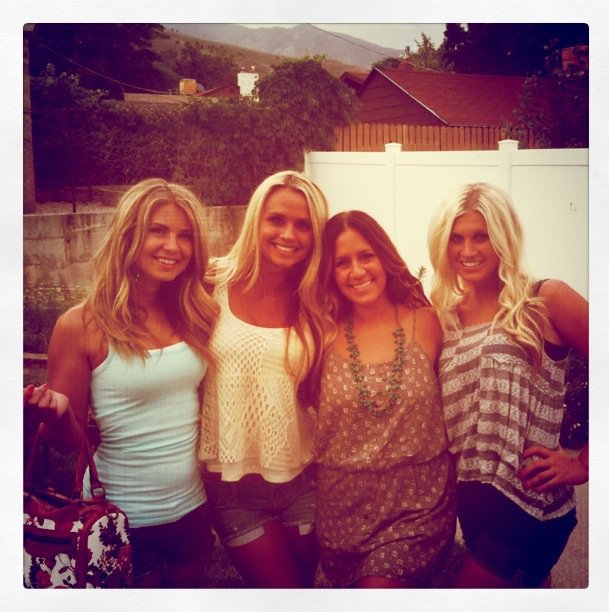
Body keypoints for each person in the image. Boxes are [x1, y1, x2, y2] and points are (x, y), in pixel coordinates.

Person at [24, 178, 220, 588]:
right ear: (128, 235)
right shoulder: (81, 325)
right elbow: (66, 443)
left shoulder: (196, 310)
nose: (173, 246)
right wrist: (56, 414)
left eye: (185, 236)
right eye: (158, 231)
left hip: (192, 510)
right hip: (117, 518)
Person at [427, 182, 588, 588]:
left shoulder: (545, 299)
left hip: (529, 506)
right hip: (472, 508)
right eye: (457, 238)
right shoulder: (444, 317)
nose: (468, 250)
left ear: (503, 237)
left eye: (481, 236)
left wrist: (585, 463)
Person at [198, 170, 332, 587]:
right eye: (277, 219)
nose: (289, 234)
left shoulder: (320, 298)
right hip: (232, 485)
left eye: (303, 225)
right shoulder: (210, 282)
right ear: (256, 219)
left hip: (304, 478)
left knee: (303, 589)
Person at [314, 210, 457, 588]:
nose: (357, 271)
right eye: (342, 262)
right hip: (341, 513)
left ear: (385, 257)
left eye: (366, 256)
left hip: (418, 508)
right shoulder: (321, 334)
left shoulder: (428, 323)